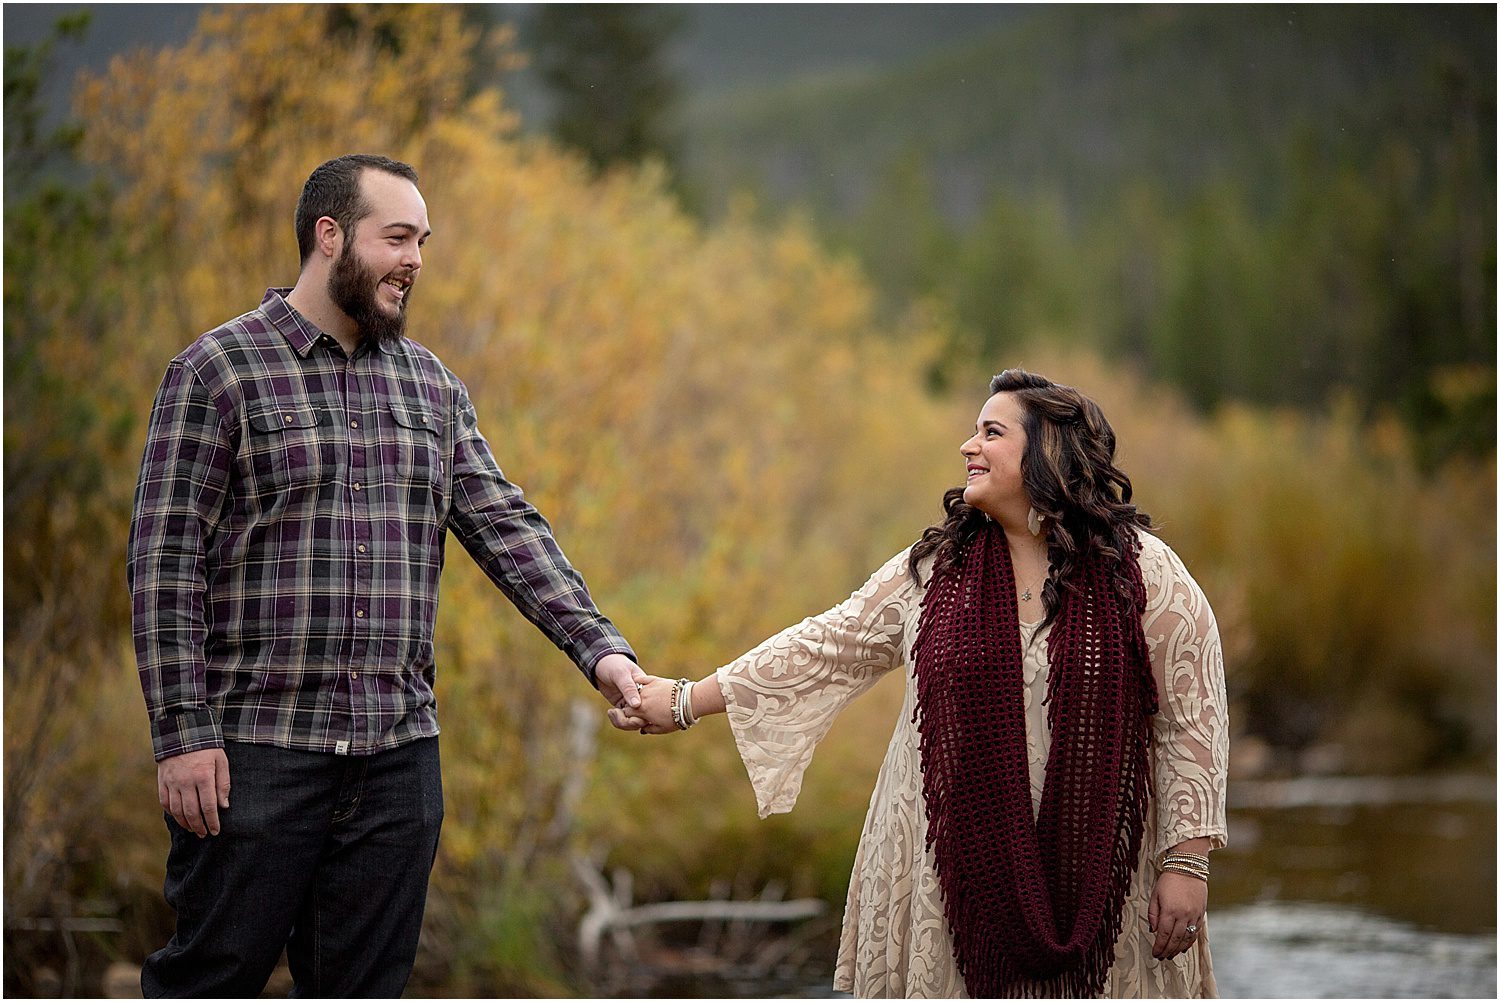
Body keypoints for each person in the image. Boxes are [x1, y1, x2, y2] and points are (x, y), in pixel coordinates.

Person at [127, 153, 647, 997]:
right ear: (329, 237)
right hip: (254, 757)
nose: (415, 260)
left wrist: (603, 652)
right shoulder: (216, 373)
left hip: (397, 765)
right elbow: (163, 561)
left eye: (423, 241)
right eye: (397, 236)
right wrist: (182, 731)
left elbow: (506, 529)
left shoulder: (433, 388)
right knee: (209, 980)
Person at [612, 369, 1228, 998]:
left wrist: (1187, 861)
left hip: (1104, 880)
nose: (968, 446)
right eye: (973, 431)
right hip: (946, 879)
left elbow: (1191, 716)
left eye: (991, 432)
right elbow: (825, 646)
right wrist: (685, 701)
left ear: (1048, 453)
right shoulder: (937, 570)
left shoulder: (1144, 575)